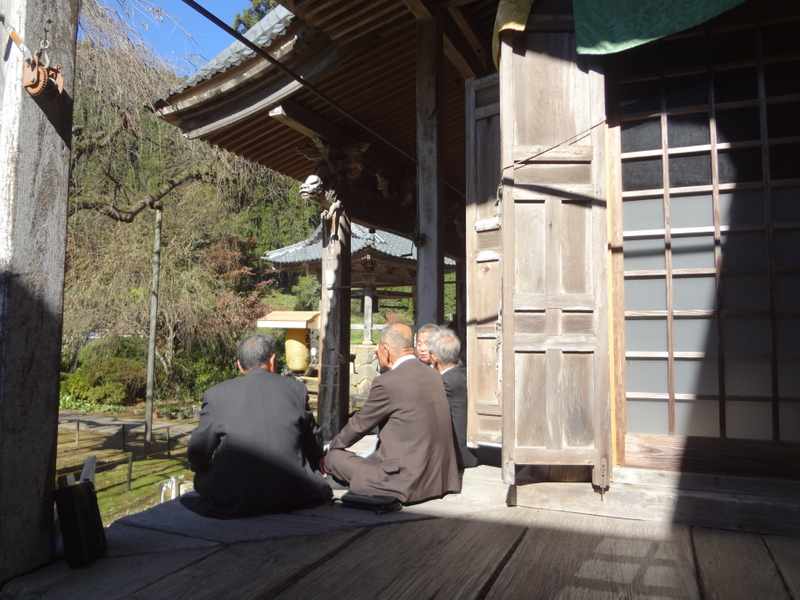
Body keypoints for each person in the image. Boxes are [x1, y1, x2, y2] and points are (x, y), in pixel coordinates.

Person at [187, 334, 332, 517]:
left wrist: (203, 469)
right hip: (293, 493)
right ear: (272, 361)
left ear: (239, 365)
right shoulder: (295, 389)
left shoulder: (217, 395)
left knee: (202, 479)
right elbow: (313, 443)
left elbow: (198, 450)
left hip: (233, 499)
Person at [322, 322, 461, 503]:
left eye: (378, 349)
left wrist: (332, 447)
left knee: (334, 458)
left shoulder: (387, 382)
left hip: (404, 480)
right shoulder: (434, 375)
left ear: (385, 349)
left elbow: (360, 425)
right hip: (438, 479)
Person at [429, 328, 478, 468]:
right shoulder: (463, 373)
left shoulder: (445, 382)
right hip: (469, 449)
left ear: (435, 357)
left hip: (457, 454)